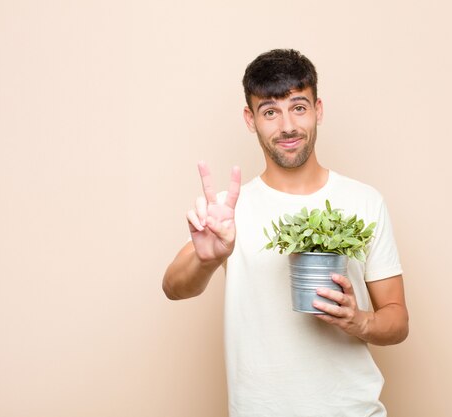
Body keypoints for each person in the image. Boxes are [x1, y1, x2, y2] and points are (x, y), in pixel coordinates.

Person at [163, 49, 409, 417]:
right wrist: (207, 258)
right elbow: (173, 287)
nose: (287, 127)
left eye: (298, 107)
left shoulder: (364, 201)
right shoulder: (231, 210)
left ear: (318, 109)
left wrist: (361, 320)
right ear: (251, 119)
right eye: (270, 112)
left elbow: (397, 319)